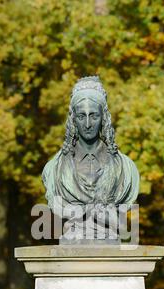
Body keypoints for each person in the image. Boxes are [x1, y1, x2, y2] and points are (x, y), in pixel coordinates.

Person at [42, 76, 140, 243]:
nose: (88, 124)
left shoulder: (126, 169)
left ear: (104, 118)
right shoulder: (54, 169)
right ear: (73, 119)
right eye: (81, 116)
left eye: (94, 116)